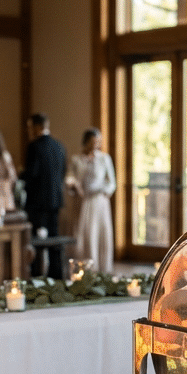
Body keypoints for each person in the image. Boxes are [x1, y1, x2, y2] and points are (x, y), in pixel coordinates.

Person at [20, 112, 68, 278]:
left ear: (37, 126)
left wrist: (21, 175)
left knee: (34, 239)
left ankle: (35, 274)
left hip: (37, 201)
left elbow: (32, 174)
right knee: (54, 236)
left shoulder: (34, 147)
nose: (29, 131)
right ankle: (57, 274)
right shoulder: (59, 146)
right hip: (55, 200)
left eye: (30, 127)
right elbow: (62, 172)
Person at [66, 127, 116, 274]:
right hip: (83, 201)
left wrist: (105, 192)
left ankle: (102, 269)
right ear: (86, 142)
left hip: (99, 202)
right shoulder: (77, 159)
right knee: (84, 234)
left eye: (98, 142)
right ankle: (85, 268)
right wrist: (74, 185)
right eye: (93, 142)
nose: (96, 145)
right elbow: (70, 177)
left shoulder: (104, 159)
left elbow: (111, 182)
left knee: (99, 233)